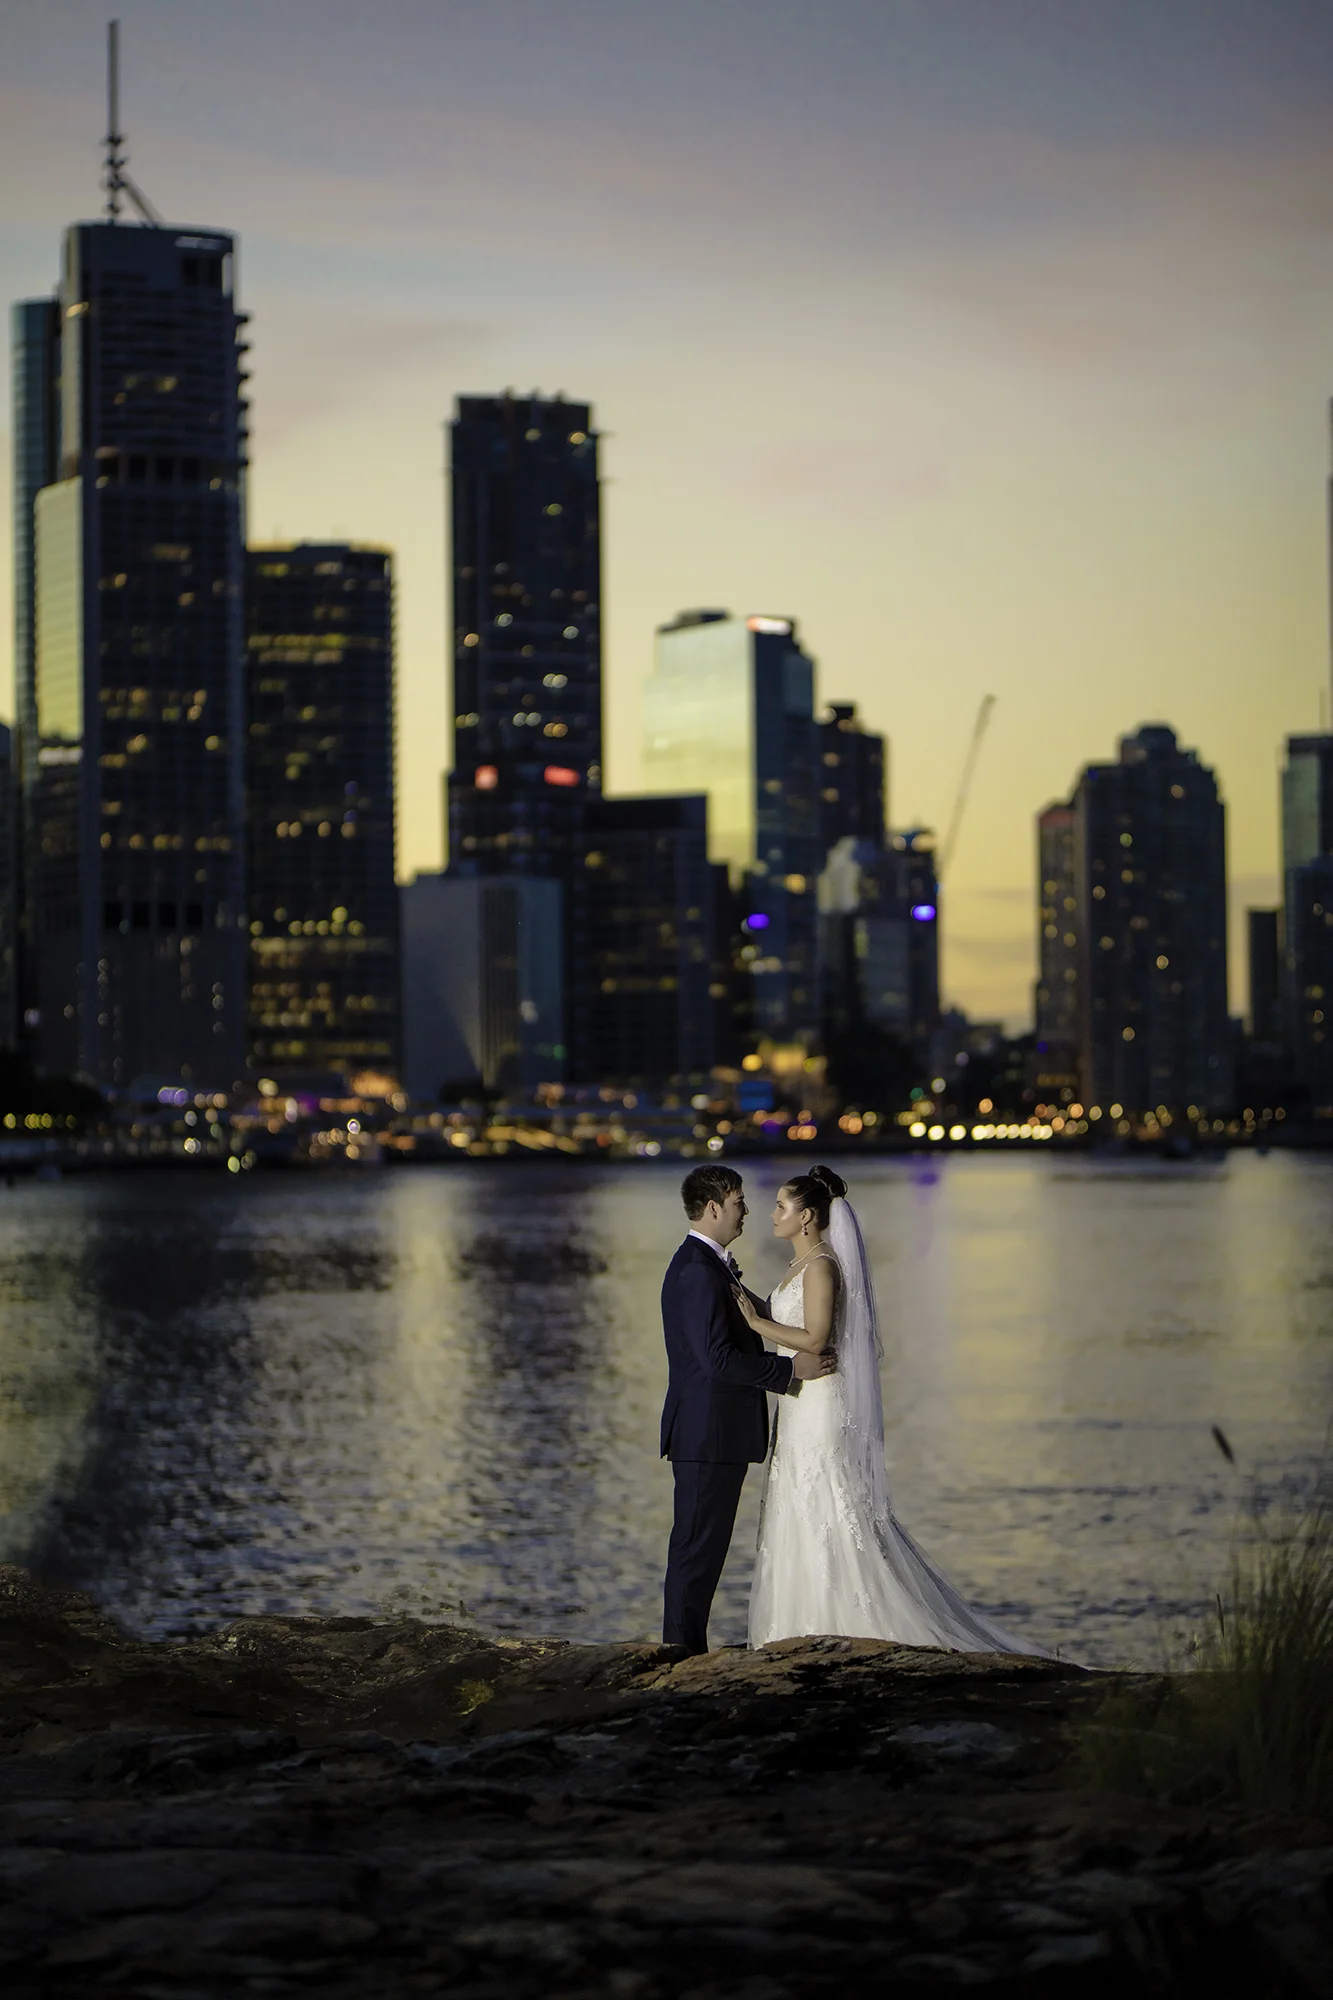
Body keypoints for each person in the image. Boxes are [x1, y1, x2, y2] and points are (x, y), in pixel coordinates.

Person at [738, 1164, 1049, 1655]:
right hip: (798, 1403)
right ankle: (797, 1620)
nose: (772, 1214)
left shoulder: (821, 1265)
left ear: (807, 1217)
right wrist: (746, 1301)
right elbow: (789, 1322)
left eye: (781, 1206)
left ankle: (849, 1618)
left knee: (825, 1497)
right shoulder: (799, 1265)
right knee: (796, 1498)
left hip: (820, 1406)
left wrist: (755, 1322)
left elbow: (816, 1339)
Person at [660, 1164, 836, 1654]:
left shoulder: (710, 1264)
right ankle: (679, 1655)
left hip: (715, 1433)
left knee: (704, 1551)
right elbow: (716, 1360)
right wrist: (787, 1374)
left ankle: (685, 1649)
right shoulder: (696, 1269)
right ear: (714, 1207)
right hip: (706, 1433)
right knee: (696, 1552)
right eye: (739, 1202)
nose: (747, 1210)